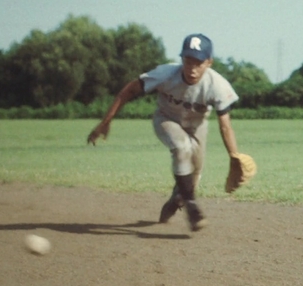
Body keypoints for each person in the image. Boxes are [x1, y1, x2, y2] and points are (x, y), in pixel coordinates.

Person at [87, 33, 241, 231]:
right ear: (182, 59)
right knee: (181, 148)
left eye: (198, 63)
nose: (192, 68)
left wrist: (233, 156)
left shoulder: (217, 85)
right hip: (166, 119)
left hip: (197, 126)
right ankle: (193, 208)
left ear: (209, 62)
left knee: (193, 177)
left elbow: (225, 125)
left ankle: (177, 198)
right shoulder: (166, 73)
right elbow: (129, 91)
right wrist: (105, 122)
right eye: (188, 61)